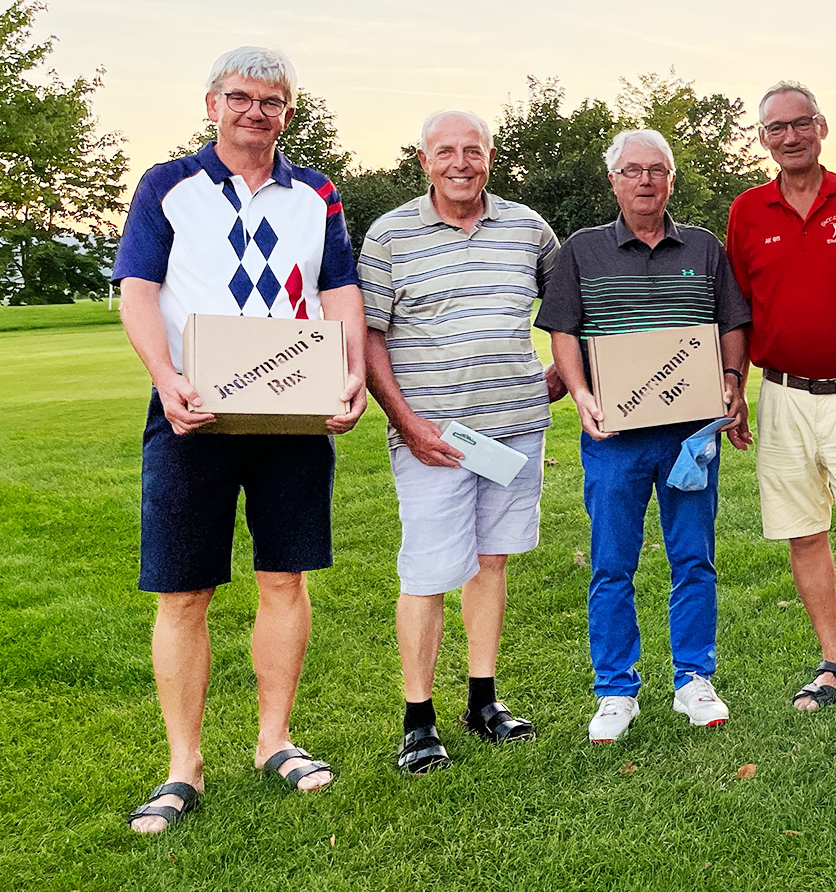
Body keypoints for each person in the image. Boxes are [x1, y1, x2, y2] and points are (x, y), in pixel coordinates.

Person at [112, 46, 367, 832]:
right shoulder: (167, 186)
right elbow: (139, 290)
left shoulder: (317, 192)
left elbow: (339, 290)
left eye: (272, 100)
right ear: (212, 104)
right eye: (240, 97)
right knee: (183, 590)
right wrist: (164, 375)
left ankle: (274, 741)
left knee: (285, 580)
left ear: (289, 112)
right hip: (194, 413)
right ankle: (182, 767)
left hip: (293, 413)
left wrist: (349, 373)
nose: (255, 111)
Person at [359, 110, 562, 772]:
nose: (460, 162)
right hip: (434, 440)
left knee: (491, 564)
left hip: (512, 432)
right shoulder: (390, 236)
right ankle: (418, 721)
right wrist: (406, 424)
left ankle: (483, 701)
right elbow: (370, 337)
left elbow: (569, 312)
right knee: (426, 575)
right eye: (445, 151)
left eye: (472, 150)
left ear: (491, 156)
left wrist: (559, 381)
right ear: (423, 160)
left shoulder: (528, 229)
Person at [538, 129, 751, 743]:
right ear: (613, 180)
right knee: (611, 563)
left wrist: (733, 380)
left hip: (689, 435)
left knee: (694, 558)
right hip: (615, 436)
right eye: (632, 170)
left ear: (671, 180)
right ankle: (615, 689)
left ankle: (693, 679)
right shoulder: (583, 250)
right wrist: (579, 394)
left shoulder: (705, 248)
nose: (645, 180)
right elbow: (564, 333)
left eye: (656, 169)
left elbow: (732, 321)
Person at [725, 81, 836, 741]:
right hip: (782, 396)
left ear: (821, 127)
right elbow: (738, 310)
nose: (790, 137)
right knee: (804, 534)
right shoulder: (747, 211)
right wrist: (733, 383)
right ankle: (835, 657)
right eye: (776, 128)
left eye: (801, 124)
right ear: (764, 138)